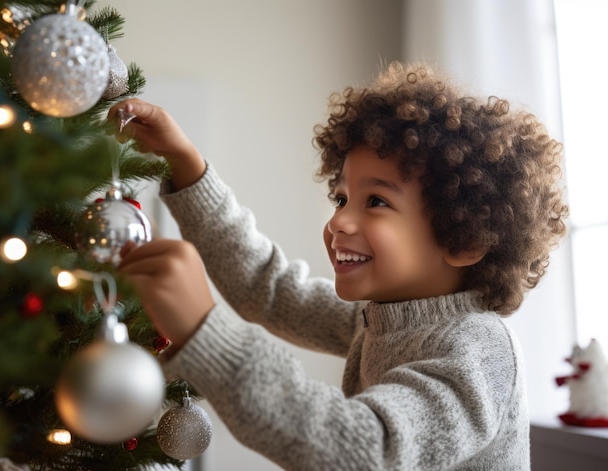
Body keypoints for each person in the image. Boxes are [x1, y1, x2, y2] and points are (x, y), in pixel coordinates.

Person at [110, 61, 568, 470]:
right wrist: (186, 166)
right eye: (341, 198)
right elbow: (268, 289)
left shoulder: (478, 349)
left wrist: (207, 334)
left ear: (465, 238)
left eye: (376, 201)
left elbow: (368, 450)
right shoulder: (377, 319)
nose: (338, 221)